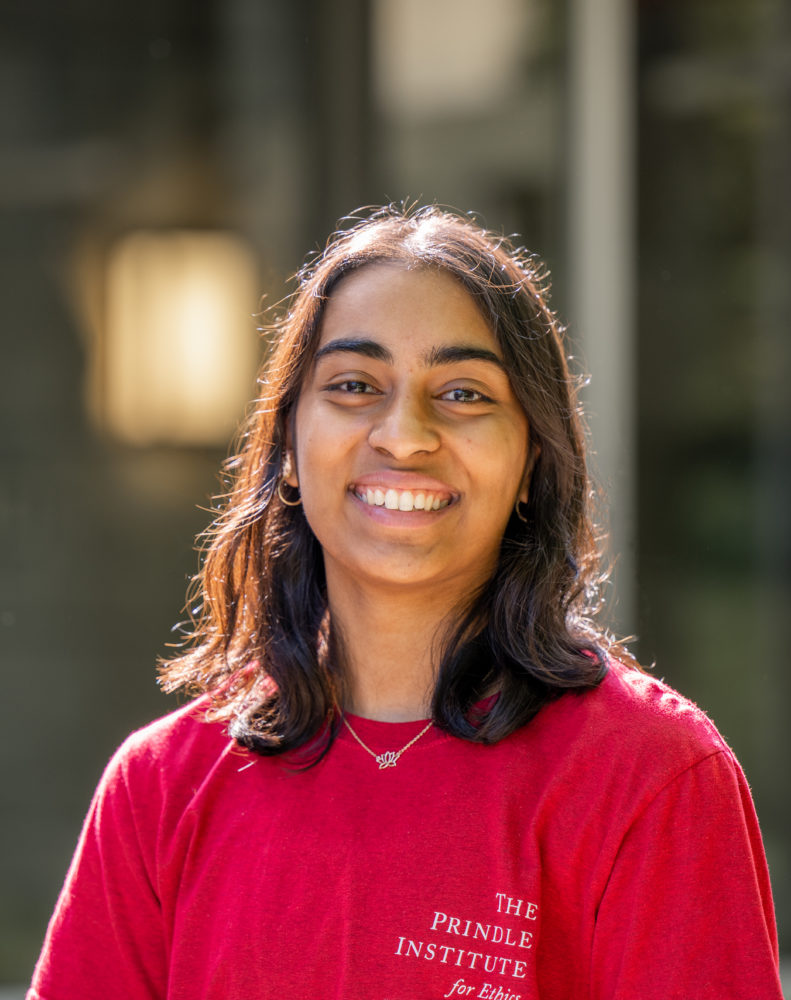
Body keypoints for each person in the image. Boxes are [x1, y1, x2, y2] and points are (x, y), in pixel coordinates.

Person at [29, 205, 783, 1000]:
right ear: (288, 444)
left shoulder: (649, 777)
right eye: (354, 385)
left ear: (531, 460)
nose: (404, 434)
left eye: (462, 393)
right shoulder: (161, 788)